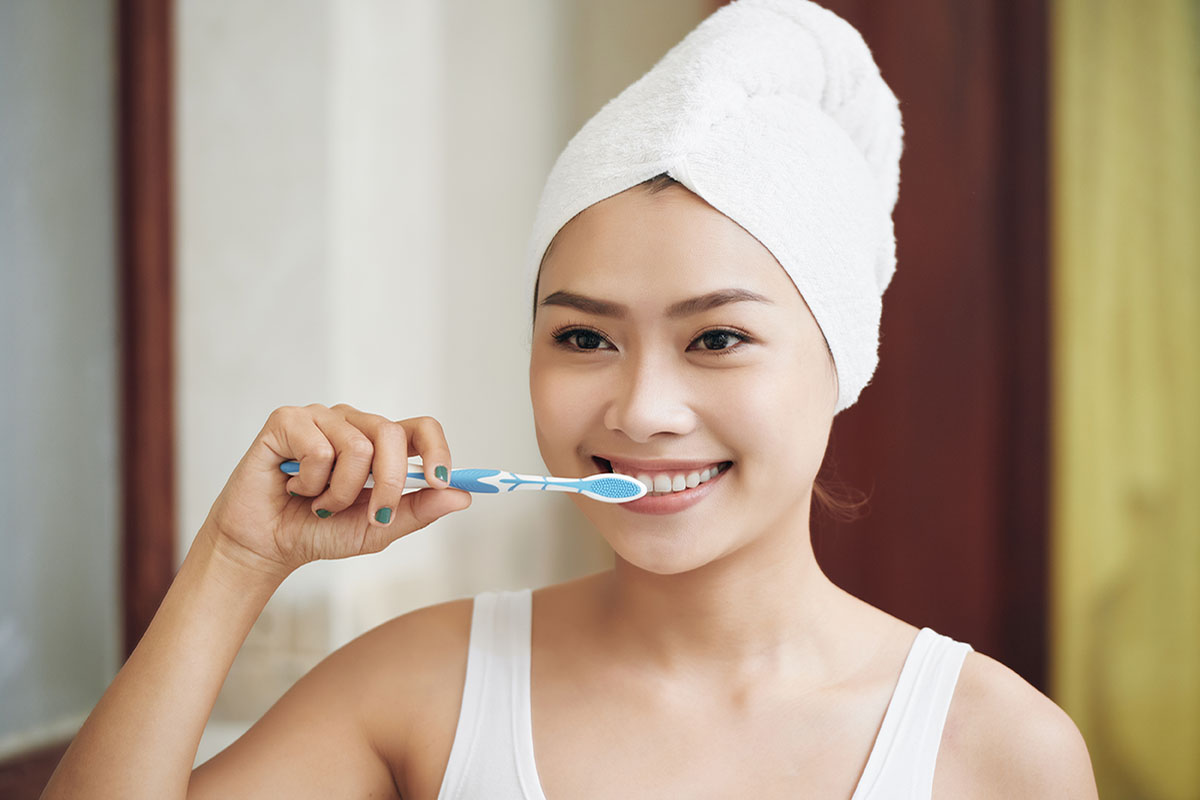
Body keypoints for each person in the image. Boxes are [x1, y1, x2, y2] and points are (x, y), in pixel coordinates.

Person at [44, 1, 1099, 798]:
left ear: (843, 357)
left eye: (718, 337)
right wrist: (234, 561)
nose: (642, 408)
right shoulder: (423, 687)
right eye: (584, 337)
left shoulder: (1000, 747)